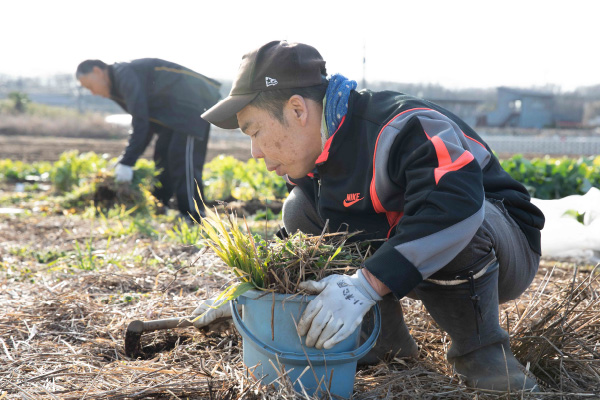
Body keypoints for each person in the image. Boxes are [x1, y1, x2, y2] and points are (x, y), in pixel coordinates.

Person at [195, 41, 545, 392]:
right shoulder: (314, 160)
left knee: (458, 215)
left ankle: (482, 354)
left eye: (255, 131)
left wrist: (366, 285)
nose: (254, 152)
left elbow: (456, 204)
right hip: (412, 260)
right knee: (299, 210)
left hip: (499, 246)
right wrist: (251, 290)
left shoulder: (403, 124)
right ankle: (382, 342)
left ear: (298, 110)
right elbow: (300, 244)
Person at [76, 58, 221, 220]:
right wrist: (127, 160)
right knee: (162, 155)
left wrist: (127, 161)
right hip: (171, 114)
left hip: (192, 104)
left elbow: (141, 122)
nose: (93, 93)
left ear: (98, 71)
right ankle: (160, 205)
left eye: (90, 86)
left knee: (182, 157)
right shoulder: (117, 87)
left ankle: (194, 215)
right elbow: (147, 125)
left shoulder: (124, 75)